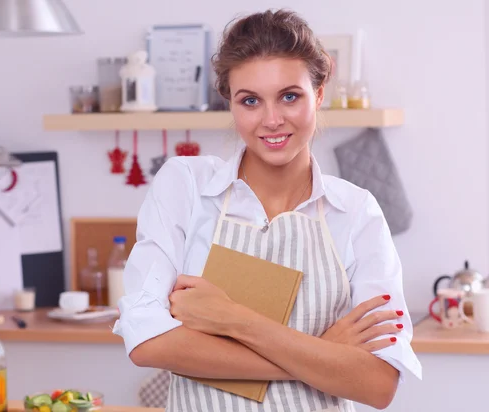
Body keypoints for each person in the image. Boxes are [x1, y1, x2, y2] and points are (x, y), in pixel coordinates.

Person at [112, 8, 422, 412]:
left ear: (320, 92)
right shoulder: (186, 187)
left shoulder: (356, 212)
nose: (272, 120)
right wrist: (322, 354)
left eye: (290, 96)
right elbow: (147, 342)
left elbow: (378, 384)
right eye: (250, 101)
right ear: (231, 103)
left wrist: (231, 319)